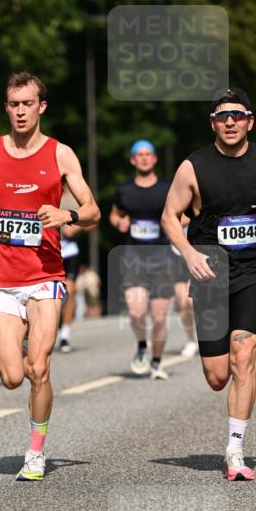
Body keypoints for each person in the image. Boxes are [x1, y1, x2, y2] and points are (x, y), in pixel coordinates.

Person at [0, 71, 100, 480]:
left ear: (41, 106)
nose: (20, 112)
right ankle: (20, 336)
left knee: (38, 368)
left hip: (45, 276)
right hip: (2, 278)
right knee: (10, 377)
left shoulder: (61, 155)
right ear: (6, 108)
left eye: (27, 104)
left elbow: (92, 210)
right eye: (13, 104)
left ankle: (36, 451)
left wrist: (67, 214)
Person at [162, 87, 256, 481]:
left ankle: (235, 452)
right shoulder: (193, 168)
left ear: (249, 121)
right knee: (217, 375)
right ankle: (230, 427)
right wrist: (189, 254)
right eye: (223, 116)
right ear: (213, 124)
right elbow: (170, 217)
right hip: (210, 273)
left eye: (237, 115)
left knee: (244, 354)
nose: (230, 121)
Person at [110, 140, 176, 380]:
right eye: (140, 155)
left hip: (162, 259)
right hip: (134, 258)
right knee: (136, 313)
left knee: (159, 317)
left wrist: (172, 225)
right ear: (133, 160)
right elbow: (114, 214)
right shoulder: (125, 190)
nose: (145, 158)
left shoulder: (168, 189)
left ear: (155, 159)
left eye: (149, 154)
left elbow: (186, 215)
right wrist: (120, 222)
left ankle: (157, 362)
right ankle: (141, 346)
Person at [57, 188, 84, 353]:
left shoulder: (76, 194)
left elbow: (93, 220)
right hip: (46, 248)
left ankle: (65, 334)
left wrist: (77, 227)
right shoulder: (43, 187)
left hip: (69, 250)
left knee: (70, 290)